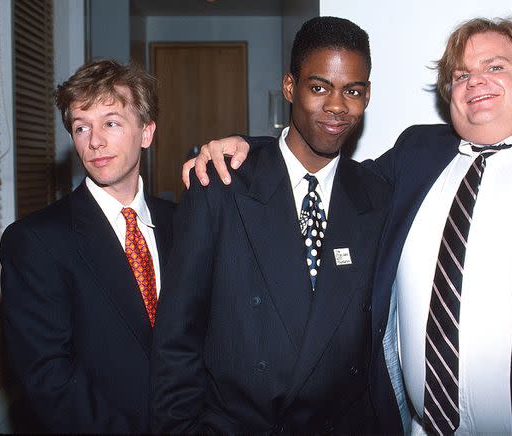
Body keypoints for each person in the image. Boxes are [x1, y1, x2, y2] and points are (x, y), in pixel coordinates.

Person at [186, 16, 512, 435]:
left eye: (494, 66)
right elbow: (325, 175)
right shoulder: (418, 154)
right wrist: (250, 150)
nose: (474, 80)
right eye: (460, 75)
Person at [151, 17, 390, 434]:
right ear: (289, 87)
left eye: (352, 91)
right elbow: (177, 337)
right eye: (319, 88)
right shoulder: (221, 185)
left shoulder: (376, 196)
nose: (337, 106)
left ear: (367, 96)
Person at [0, 59, 175, 433]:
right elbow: (50, 380)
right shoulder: (35, 241)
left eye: (111, 123)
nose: (95, 141)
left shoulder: (183, 224)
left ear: (146, 133)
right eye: (82, 127)